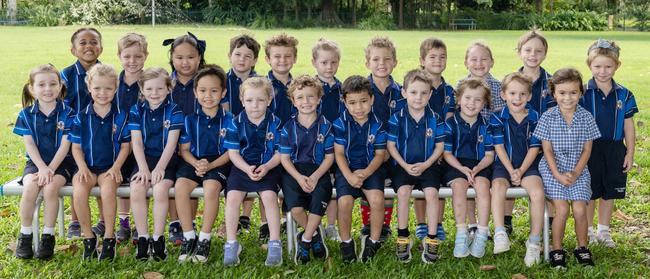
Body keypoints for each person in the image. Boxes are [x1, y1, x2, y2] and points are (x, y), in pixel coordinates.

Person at [534, 68, 601, 268]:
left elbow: (587, 150)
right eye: (562, 93)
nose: (567, 98)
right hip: (552, 168)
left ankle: (582, 248)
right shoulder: (548, 117)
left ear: (581, 93)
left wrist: (576, 172)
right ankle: (557, 249)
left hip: (578, 168)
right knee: (562, 209)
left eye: (573, 92)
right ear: (554, 94)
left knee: (580, 209)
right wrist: (557, 174)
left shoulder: (586, 117)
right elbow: (546, 150)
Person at [13, 64, 76, 260]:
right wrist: (41, 168)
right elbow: (30, 145)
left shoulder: (69, 113)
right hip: (36, 163)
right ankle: (25, 234)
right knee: (30, 187)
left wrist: (50, 170)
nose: (47, 89)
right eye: (41, 84)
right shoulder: (25, 115)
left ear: (60, 86)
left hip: (62, 163)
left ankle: (48, 236)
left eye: (52, 84)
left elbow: (65, 146)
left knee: (50, 188)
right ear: (32, 88)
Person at [69, 64, 131, 260]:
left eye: (107, 88)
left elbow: (125, 146)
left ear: (115, 88)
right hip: (87, 167)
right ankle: (89, 238)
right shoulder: (81, 116)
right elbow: (76, 147)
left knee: (108, 191)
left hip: (109, 168)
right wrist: (82, 167)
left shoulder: (120, 116)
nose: (102, 93)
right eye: (97, 88)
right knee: (79, 191)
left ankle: (109, 237)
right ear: (89, 87)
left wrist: (116, 167)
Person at [582, 39, 638, 248]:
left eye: (608, 66)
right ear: (590, 65)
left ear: (617, 66)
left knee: (609, 191)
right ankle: (586, 230)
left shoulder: (624, 94)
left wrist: (630, 153)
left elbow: (629, 126)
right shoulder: (583, 92)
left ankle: (603, 231)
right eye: (597, 66)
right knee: (590, 191)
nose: (603, 71)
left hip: (615, 148)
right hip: (590, 148)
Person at [175, 65, 233, 263]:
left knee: (211, 189)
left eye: (214, 91)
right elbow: (184, 150)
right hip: (194, 160)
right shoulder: (189, 120)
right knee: (181, 187)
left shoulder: (230, 120)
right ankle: (189, 236)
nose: (208, 95)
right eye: (202, 90)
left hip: (219, 162)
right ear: (195, 92)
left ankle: (204, 238)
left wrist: (210, 165)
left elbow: (230, 153)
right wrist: (197, 163)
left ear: (223, 93)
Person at [223, 77, 284, 267]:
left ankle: (275, 243)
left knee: (268, 197)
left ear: (269, 100)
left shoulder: (276, 122)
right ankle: (232, 243)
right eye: (249, 100)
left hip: (269, 167)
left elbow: (280, 153)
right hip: (242, 167)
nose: (255, 105)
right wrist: (246, 168)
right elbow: (233, 154)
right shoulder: (235, 122)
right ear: (242, 100)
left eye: (260, 100)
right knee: (232, 197)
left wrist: (266, 167)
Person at [387, 69, 445, 264]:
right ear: (404, 93)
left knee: (431, 194)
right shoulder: (397, 117)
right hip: (403, 166)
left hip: (428, 165)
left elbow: (440, 146)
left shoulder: (435, 117)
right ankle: (403, 236)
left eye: (423, 93)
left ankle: (432, 238)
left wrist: (427, 164)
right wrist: (404, 165)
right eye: (413, 92)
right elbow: (391, 145)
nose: (418, 97)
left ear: (430, 94)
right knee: (403, 192)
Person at [489, 72, 545, 267]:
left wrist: (520, 171)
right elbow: (499, 147)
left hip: (528, 166)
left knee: (537, 193)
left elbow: (534, 148)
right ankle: (499, 232)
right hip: (503, 165)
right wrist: (511, 170)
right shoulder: (497, 117)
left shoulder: (536, 117)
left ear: (529, 96)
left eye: (522, 94)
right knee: (497, 186)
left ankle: (534, 241)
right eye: (512, 93)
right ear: (503, 95)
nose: (517, 98)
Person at [128, 67, 182, 261]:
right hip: (144, 159)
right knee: (136, 189)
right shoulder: (136, 110)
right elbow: (136, 142)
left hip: (166, 159)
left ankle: (158, 239)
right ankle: (143, 238)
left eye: (160, 89)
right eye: (149, 89)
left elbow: (171, 143)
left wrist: (160, 167)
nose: (154, 93)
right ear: (141, 89)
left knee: (160, 190)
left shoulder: (174, 110)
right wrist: (143, 168)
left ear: (168, 88)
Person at [279, 75, 334, 264]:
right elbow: (284, 158)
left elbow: (330, 157)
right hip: (293, 172)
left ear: (319, 99)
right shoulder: (288, 128)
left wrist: (316, 176)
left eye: (311, 97)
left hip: (319, 171)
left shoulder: (326, 127)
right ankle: (315, 235)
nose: (306, 102)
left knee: (318, 204)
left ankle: (305, 241)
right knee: (295, 209)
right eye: (300, 97)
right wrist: (299, 177)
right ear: (293, 101)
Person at [333, 75, 387, 263]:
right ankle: (346, 241)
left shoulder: (378, 124)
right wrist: (349, 175)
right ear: (345, 103)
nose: (359, 107)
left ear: (372, 99)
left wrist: (365, 173)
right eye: (352, 103)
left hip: (371, 168)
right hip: (346, 169)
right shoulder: (340, 124)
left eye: (363, 101)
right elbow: (338, 153)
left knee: (377, 200)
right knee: (345, 202)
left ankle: (373, 241)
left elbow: (380, 154)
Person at [162, 32, 206, 245]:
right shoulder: (166, 84)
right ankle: (175, 223)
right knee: (173, 180)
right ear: (172, 58)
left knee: (190, 181)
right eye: (179, 57)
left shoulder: (205, 83)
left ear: (199, 57)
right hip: (168, 145)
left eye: (190, 57)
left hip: (196, 144)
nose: (185, 62)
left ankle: (190, 220)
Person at [61, 27, 104, 240]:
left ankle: (104, 221)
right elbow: (64, 108)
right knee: (80, 173)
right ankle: (75, 222)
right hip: (77, 136)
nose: (89, 46)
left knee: (101, 170)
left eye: (94, 42)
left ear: (101, 47)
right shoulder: (66, 75)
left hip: (102, 134)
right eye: (83, 43)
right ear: (73, 50)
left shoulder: (107, 72)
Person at [443, 78, 494, 259]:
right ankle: (461, 233)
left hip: (480, 164)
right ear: (458, 100)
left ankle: (481, 232)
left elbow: (489, 156)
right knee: (459, 187)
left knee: (482, 188)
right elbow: (447, 154)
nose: (471, 103)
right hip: (456, 163)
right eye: (467, 98)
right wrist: (463, 169)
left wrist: (477, 168)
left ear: (484, 103)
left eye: (478, 99)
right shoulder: (449, 124)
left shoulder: (486, 126)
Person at [360, 36, 404, 241]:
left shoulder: (402, 93)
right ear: (367, 63)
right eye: (376, 60)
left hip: (394, 153)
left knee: (387, 184)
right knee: (370, 180)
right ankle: (368, 223)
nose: (382, 64)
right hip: (368, 152)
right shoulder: (361, 91)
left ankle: (384, 225)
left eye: (387, 59)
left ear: (395, 62)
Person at [415, 37, 456, 241]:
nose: (438, 60)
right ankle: (422, 223)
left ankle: (437, 223)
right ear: (422, 60)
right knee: (420, 184)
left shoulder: (450, 91)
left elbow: (449, 122)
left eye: (442, 57)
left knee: (438, 184)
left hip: (441, 148)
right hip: (418, 148)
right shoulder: (416, 87)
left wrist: (441, 150)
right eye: (432, 57)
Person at [221, 34, 261, 235]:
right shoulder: (223, 81)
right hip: (230, 134)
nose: (242, 59)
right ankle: (231, 219)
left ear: (254, 60)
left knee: (253, 161)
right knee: (233, 173)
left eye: (248, 56)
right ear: (230, 55)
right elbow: (225, 111)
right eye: (237, 54)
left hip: (255, 134)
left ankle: (245, 216)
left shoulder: (260, 82)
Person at [115, 32, 149, 243]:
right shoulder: (113, 82)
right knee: (120, 182)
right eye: (127, 56)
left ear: (146, 55)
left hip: (143, 144)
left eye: (138, 56)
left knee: (139, 180)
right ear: (119, 56)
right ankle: (124, 222)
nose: (132, 61)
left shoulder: (150, 82)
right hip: (118, 144)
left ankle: (139, 224)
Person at [311, 38, 344, 241]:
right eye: (324, 62)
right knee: (320, 184)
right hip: (316, 146)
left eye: (333, 62)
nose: (329, 67)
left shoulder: (342, 89)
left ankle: (331, 226)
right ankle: (317, 224)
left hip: (338, 145)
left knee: (334, 185)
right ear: (314, 62)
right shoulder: (311, 88)